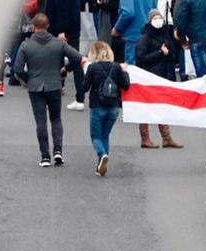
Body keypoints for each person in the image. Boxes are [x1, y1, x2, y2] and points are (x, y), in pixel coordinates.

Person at [13, 12, 84, 167]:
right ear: (48, 26)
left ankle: (45, 156)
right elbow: (78, 58)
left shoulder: (26, 45)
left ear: (33, 27)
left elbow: (17, 68)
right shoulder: (58, 43)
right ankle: (58, 151)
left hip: (35, 86)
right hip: (54, 84)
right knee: (56, 118)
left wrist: (27, 79)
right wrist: (65, 70)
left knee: (41, 121)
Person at [79, 41, 130, 177]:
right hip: (113, 107)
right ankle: (100, 164)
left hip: (97, 106)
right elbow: (126, 86)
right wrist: (125, 72)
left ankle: (102, 155)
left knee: (95, 136)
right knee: (105, 135)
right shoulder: (117, 67)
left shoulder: (93, 68)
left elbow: (84, 88)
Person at [133, 11, 182, 148]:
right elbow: (141, 58)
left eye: (160, 17)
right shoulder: (145, 38)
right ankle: (145, 138)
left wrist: (167, 54)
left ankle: (166, 138)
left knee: (163, 107)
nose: (158, 20)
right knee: (146, 108)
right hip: (148, 78)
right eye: (155, 18)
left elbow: (173, 55)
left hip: (163, 76)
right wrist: (159, 53)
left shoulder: (165, 35)